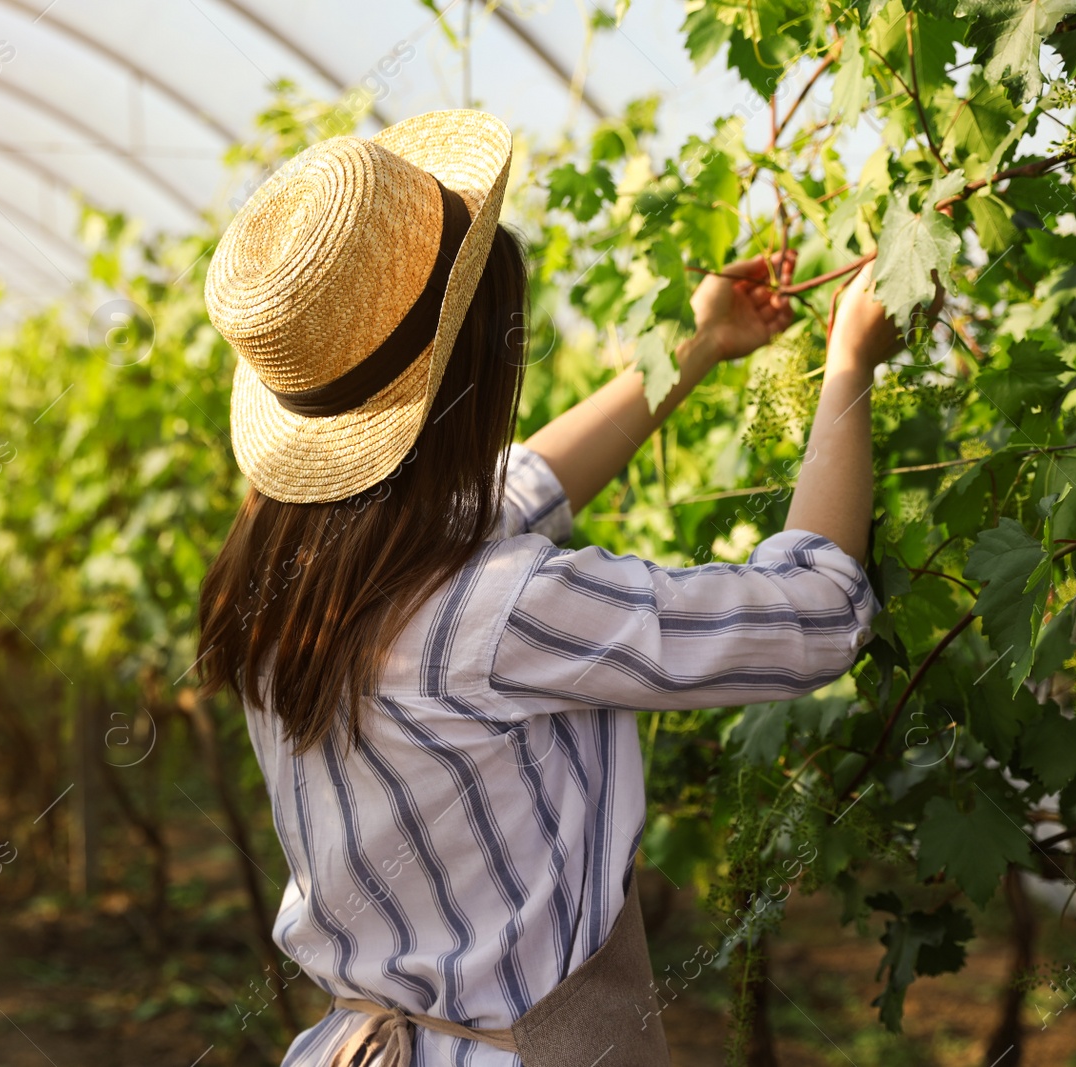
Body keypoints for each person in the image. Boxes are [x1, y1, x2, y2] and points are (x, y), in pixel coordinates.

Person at [197, 110, 896, 1067]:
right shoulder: (499, 609)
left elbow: (521, 486)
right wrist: (848, 366)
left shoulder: (283, 582)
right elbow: (815, 611)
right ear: (479, 374)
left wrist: (693, 349)